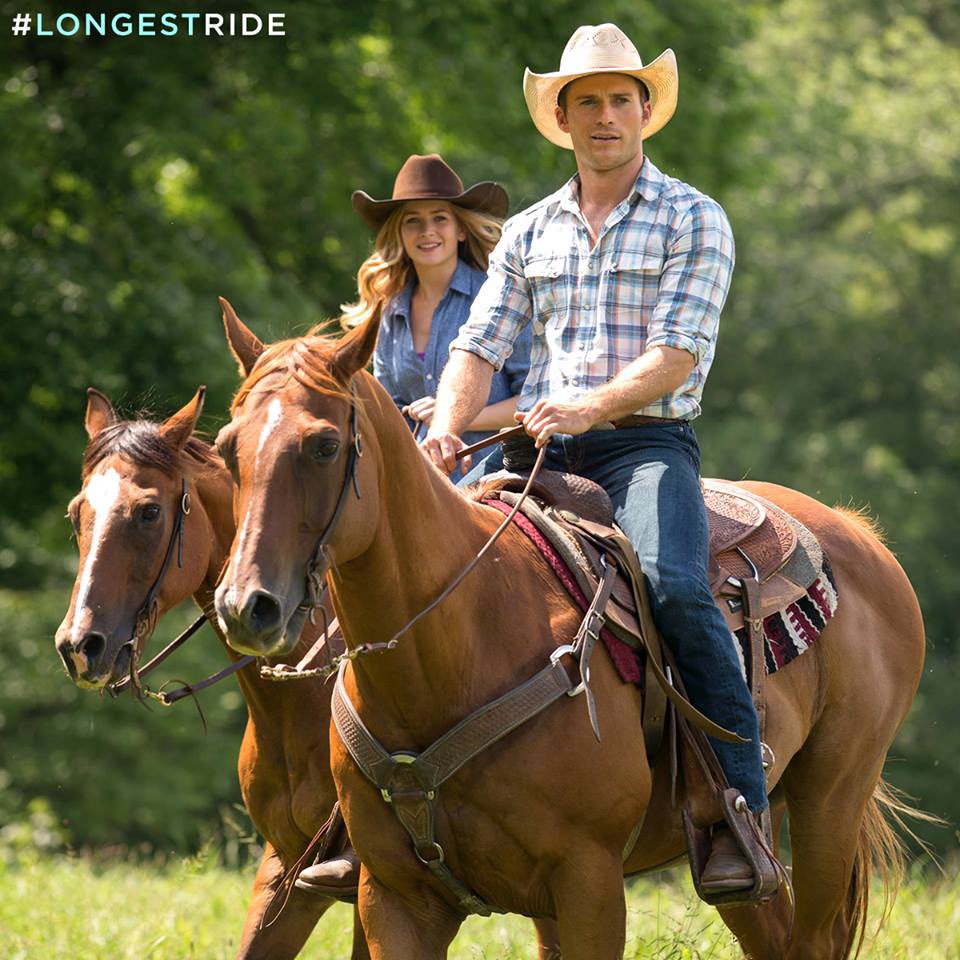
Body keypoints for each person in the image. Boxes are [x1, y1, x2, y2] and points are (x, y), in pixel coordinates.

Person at [422, 23, 775, 896]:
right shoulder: (530, 231)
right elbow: (478, 341)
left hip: (644, 445)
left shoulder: (695, 217)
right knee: (413, 564)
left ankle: (740, 808)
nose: (606, 115)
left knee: (677, 588)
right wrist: (447, 427)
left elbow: (679, 353)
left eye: (621, 99)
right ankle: (366, 800)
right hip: (536, 444)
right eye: (589, 102)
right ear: (564, 117)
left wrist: (592, 402)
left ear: (646, 110)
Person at [344, 153, 531, 481]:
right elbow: (390, 412)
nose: (427, 231)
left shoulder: (499, 295)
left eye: (440, 218)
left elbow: (533, 400)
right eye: (412, 220)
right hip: (420, 482)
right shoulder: (389, 312)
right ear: (400, 234)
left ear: (460, 229)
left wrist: (452, 417)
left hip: (498, 476)